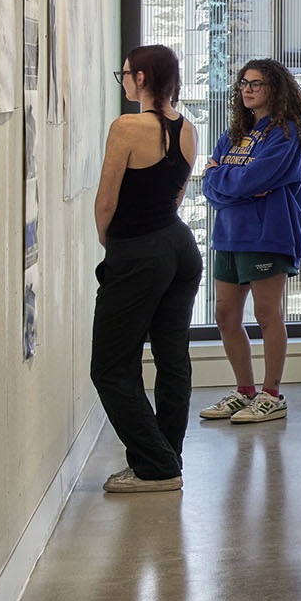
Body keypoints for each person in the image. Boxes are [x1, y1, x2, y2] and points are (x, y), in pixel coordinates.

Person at [90, 43, 201, 496]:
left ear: (141, 79)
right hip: (180, 248)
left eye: (126, 74)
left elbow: (107, 202)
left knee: (111, 366)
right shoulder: (188, 129)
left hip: (139, 251)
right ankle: (167, 458)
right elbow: (175, 198)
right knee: (172, 359)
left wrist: (111, 243)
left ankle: (154, 466)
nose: (125, 81)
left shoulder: (127, 127)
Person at [199, 57, 301, 425]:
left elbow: (250, 180)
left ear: (274, 89)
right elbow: (210, 187)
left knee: (266, 315)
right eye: (243, 83)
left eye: (256, 83)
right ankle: (244, 391)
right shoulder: (232, 136)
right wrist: (236, 183)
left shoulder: (285, 135)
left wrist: (231, 180)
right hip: (229, 235)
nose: (247, 89)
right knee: (225, 314)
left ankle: (271, 395)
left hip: (267, 235)